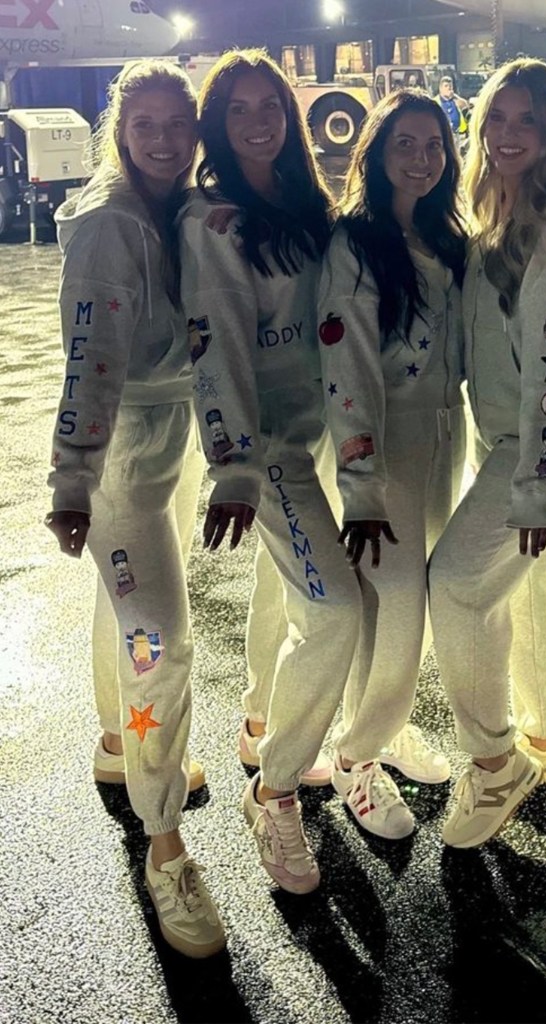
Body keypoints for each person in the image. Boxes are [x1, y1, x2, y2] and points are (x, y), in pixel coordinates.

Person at [45, 60, 225, 958]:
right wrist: (71, 479)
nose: (161, 140)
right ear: (120, 130)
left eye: (175, 125)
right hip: (120, 455)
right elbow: (88, 360)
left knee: (127, 616)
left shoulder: (180, 209)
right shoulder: (111, 228)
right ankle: (164, 846)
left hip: (173, 439)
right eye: (144, 124)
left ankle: (121, 743)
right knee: (162, 641)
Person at [180, 49, 362, 894]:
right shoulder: (214, 218)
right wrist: (235, 468)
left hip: (318, 430)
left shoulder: (299, 201)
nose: (259, 121)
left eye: (271, 106)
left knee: (283, 595)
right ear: (217, 123)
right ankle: (276, 788)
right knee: (333, 611)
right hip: (269, 452)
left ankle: (264, 725)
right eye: (239, 109)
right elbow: (212, 346)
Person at [428, 57, 546, 848]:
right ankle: (544, 736)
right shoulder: (495, 211)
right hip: (505, 431)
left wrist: (540, 483)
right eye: (498, 118)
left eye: (529, 121)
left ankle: (495, 762)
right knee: (526, 588)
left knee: (461, 583)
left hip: (543, 438)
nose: (508, 135)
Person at [319, 89, 466, 839]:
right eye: (404, 144)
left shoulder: (447, 237)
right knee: (394, 599)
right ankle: (355, 756)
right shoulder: (357, 240)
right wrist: (362, 484)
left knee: (410, 603)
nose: (421, 158)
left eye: (433, 145)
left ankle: (386, 724)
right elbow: (346, 367)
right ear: (375, 154)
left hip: (445, 438)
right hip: (382, 445)